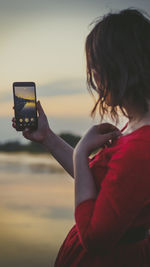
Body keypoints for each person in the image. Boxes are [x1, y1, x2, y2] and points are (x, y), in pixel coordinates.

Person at [12, 7, 150, 267]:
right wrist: (48, 137)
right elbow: (99, 186)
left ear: (119, 67)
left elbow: (94, 238)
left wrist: (81, 150)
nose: (94, 78)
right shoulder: (134, 127)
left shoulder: (141, 146)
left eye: (96, 68)